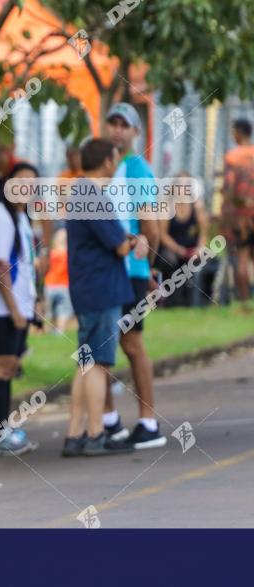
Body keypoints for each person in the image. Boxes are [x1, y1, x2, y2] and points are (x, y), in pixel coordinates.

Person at [63, 138, 140, 456]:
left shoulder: (79, 192)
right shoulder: (93, 195)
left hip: (86, 288)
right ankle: (95, 432)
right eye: (115, 157)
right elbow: (119, 245)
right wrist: (136, 241)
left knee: (85, 361)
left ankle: (75, 432)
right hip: (101, 289)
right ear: (108, 161)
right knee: (98, 363)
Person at [104, 102, 165, 449]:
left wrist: (149, 267)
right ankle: (110, 421)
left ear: (136, 133)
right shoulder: (107, 167)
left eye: (124, 125)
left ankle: (148, 421)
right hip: (113, 269)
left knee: (131, 343)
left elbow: (151, 228)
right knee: (104, 343)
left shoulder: (137, 169)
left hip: (131, 271)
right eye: (112, 123)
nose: (117, 130)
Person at [0, 162, 39, 455]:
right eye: (20, 181)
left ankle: (4, 430)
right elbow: (1, 268)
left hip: (19, 305)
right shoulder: (1, 217)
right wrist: (15, 309)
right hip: (3, 306)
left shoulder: (20, 217)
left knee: (10, 366)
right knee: (1, 367)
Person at [157, 172, 209, 307]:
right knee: (169, 260)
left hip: (192, 249)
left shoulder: (196, 206)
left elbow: (204, 232)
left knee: (203, 260)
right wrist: (178, 250)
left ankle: (198, 301)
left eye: (188, 185)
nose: (184, 189)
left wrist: (200, 248)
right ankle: (171, 301)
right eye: (181, 185)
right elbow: (162, 235)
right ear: (174, 187)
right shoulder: (167, 206)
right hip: (172, 249)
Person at [221, 118, 254, 308]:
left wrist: (226, 216)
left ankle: (244, 303)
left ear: (239, 133)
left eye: (233, 131)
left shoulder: (233, 157)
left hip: (242, 216)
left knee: (241, 259)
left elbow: (229, 188)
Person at [43, 228, 73, 334]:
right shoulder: (69, 255)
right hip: (64, 286)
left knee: (48, 313)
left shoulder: (51, 254)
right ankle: (60, 332)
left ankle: (47, 331)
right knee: (63, 312)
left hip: (50, 286)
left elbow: (42, 266)